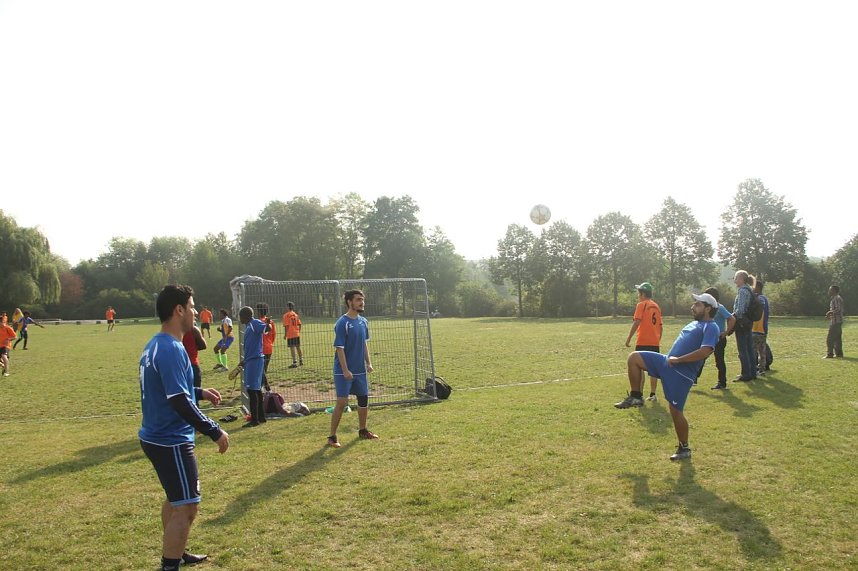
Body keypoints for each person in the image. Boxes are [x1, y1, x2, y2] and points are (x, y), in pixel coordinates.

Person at [138, 284, 229, 571]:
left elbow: (172, 386)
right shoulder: (171, 348)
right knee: (188, 507)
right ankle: (170, 565)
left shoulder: (156, 343)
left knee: (176, 497)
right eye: (191, 307)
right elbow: (178, 401)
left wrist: (199, 391)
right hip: (170, 439)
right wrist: (214, 430)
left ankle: (177, 550)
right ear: (179, 310)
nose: (194, 312)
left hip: (155, 435)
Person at [615, 293, 720, 461]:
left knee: (675, 412)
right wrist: (673, 359)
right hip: (666, 363)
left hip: (680, 374)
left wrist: (679, 360)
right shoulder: (695, 323)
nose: (692, 307)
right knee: (634, 358)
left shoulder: (711, 327)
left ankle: (684, 448)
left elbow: (706, 351)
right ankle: (636, 397)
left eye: (697, 304)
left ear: (708, 308)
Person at [328, 289, 379, 448]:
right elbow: (339, 348)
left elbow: (364, 343)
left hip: (360, 371)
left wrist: (368, 363)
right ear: (349, 302)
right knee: (342, 402)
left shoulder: (363, 321)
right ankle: (332, 436)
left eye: (362, 300)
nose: (361, 302)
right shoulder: (342, 323)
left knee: (363, 400)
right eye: (358, 299)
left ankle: (363, 430)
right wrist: (345, 370)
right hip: (344, 371)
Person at [625, 282, 663, 401]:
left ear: (642, 293)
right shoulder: (656, 306)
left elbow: (637, 322)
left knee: (639, 368)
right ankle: (653, 394)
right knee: (654, 369)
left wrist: (629, 338)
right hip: (655, 342)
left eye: (639, 293)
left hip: (643, 341)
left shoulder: (641, 305)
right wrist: (657, 339)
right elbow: (661, 326)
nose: (638, 295)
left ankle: (638, 394)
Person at [698, 287, 737, 390]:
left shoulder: (720, 307)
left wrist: (726, 332)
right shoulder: (708, 309)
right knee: (701, 357)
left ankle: (722, 382)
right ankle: (694, 378)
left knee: (719, 360)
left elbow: (732, 318)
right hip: (709, 338)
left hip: (719, 339)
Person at [238, 305, 269, 427]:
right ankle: (261, 417)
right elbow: (250, 346)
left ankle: (255, 419)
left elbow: (266, 328)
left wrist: (268, 324)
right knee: (256, 389)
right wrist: (245, 360)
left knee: (252, 390)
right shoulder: (248, 326)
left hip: (255, 360)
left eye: (240, 316)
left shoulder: (254, 323)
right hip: (251, 360)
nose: (239, 319)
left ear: (245, 316)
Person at [731, 270, 757, 382]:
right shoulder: (749, 290)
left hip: (741, 323)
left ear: (741, 279)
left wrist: (731, 316)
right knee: (750, 348)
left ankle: (745, 374)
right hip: (748, 322)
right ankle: (752, 372)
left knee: (743, 350)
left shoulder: (742, 291)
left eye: (736, 278)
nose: (735, 280)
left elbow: (740, 310)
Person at [181, 324, 207, 404]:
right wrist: (193, 347)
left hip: (178, 366)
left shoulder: (173, 330)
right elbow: (203, 345)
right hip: (192, 365)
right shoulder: (193, 329)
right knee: (194, 396)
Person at [751, 280, 770, 376]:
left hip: (757, 328)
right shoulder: (765, 299)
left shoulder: (759, 299)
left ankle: (754, 369)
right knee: (762, 351)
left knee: (754, 350)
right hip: (763, 329)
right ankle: (761, 369)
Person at [258, 303, 275, 392]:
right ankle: (262, 386)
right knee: (264, 369)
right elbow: (273, 335)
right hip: (269, 347)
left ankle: (267, 388)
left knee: (261, 370)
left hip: (261, 348)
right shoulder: (270, 322)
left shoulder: (258, 322)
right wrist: (270, 343)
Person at [282, 301, 303, 368]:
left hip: (290, 333)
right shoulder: (295, 315)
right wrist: (298, 331)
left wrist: (285, 334)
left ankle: (294, 362)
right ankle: (301, 360)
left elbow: (286, 326)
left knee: (292, 347)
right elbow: (299, 324)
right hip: (296, 333)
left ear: (288, 307)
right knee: (298, 346)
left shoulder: (286, 315)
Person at [825, 285, 844, 358]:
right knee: (837, 339)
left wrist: (829, 312)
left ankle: (830, 354)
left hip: (836, 322)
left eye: (831, 289)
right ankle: (839, 354)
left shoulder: (837, 298)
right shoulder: (835, 298)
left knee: (830, 338)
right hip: (836, 321)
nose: (829, 291)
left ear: (834, 290)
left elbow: (838, 309)